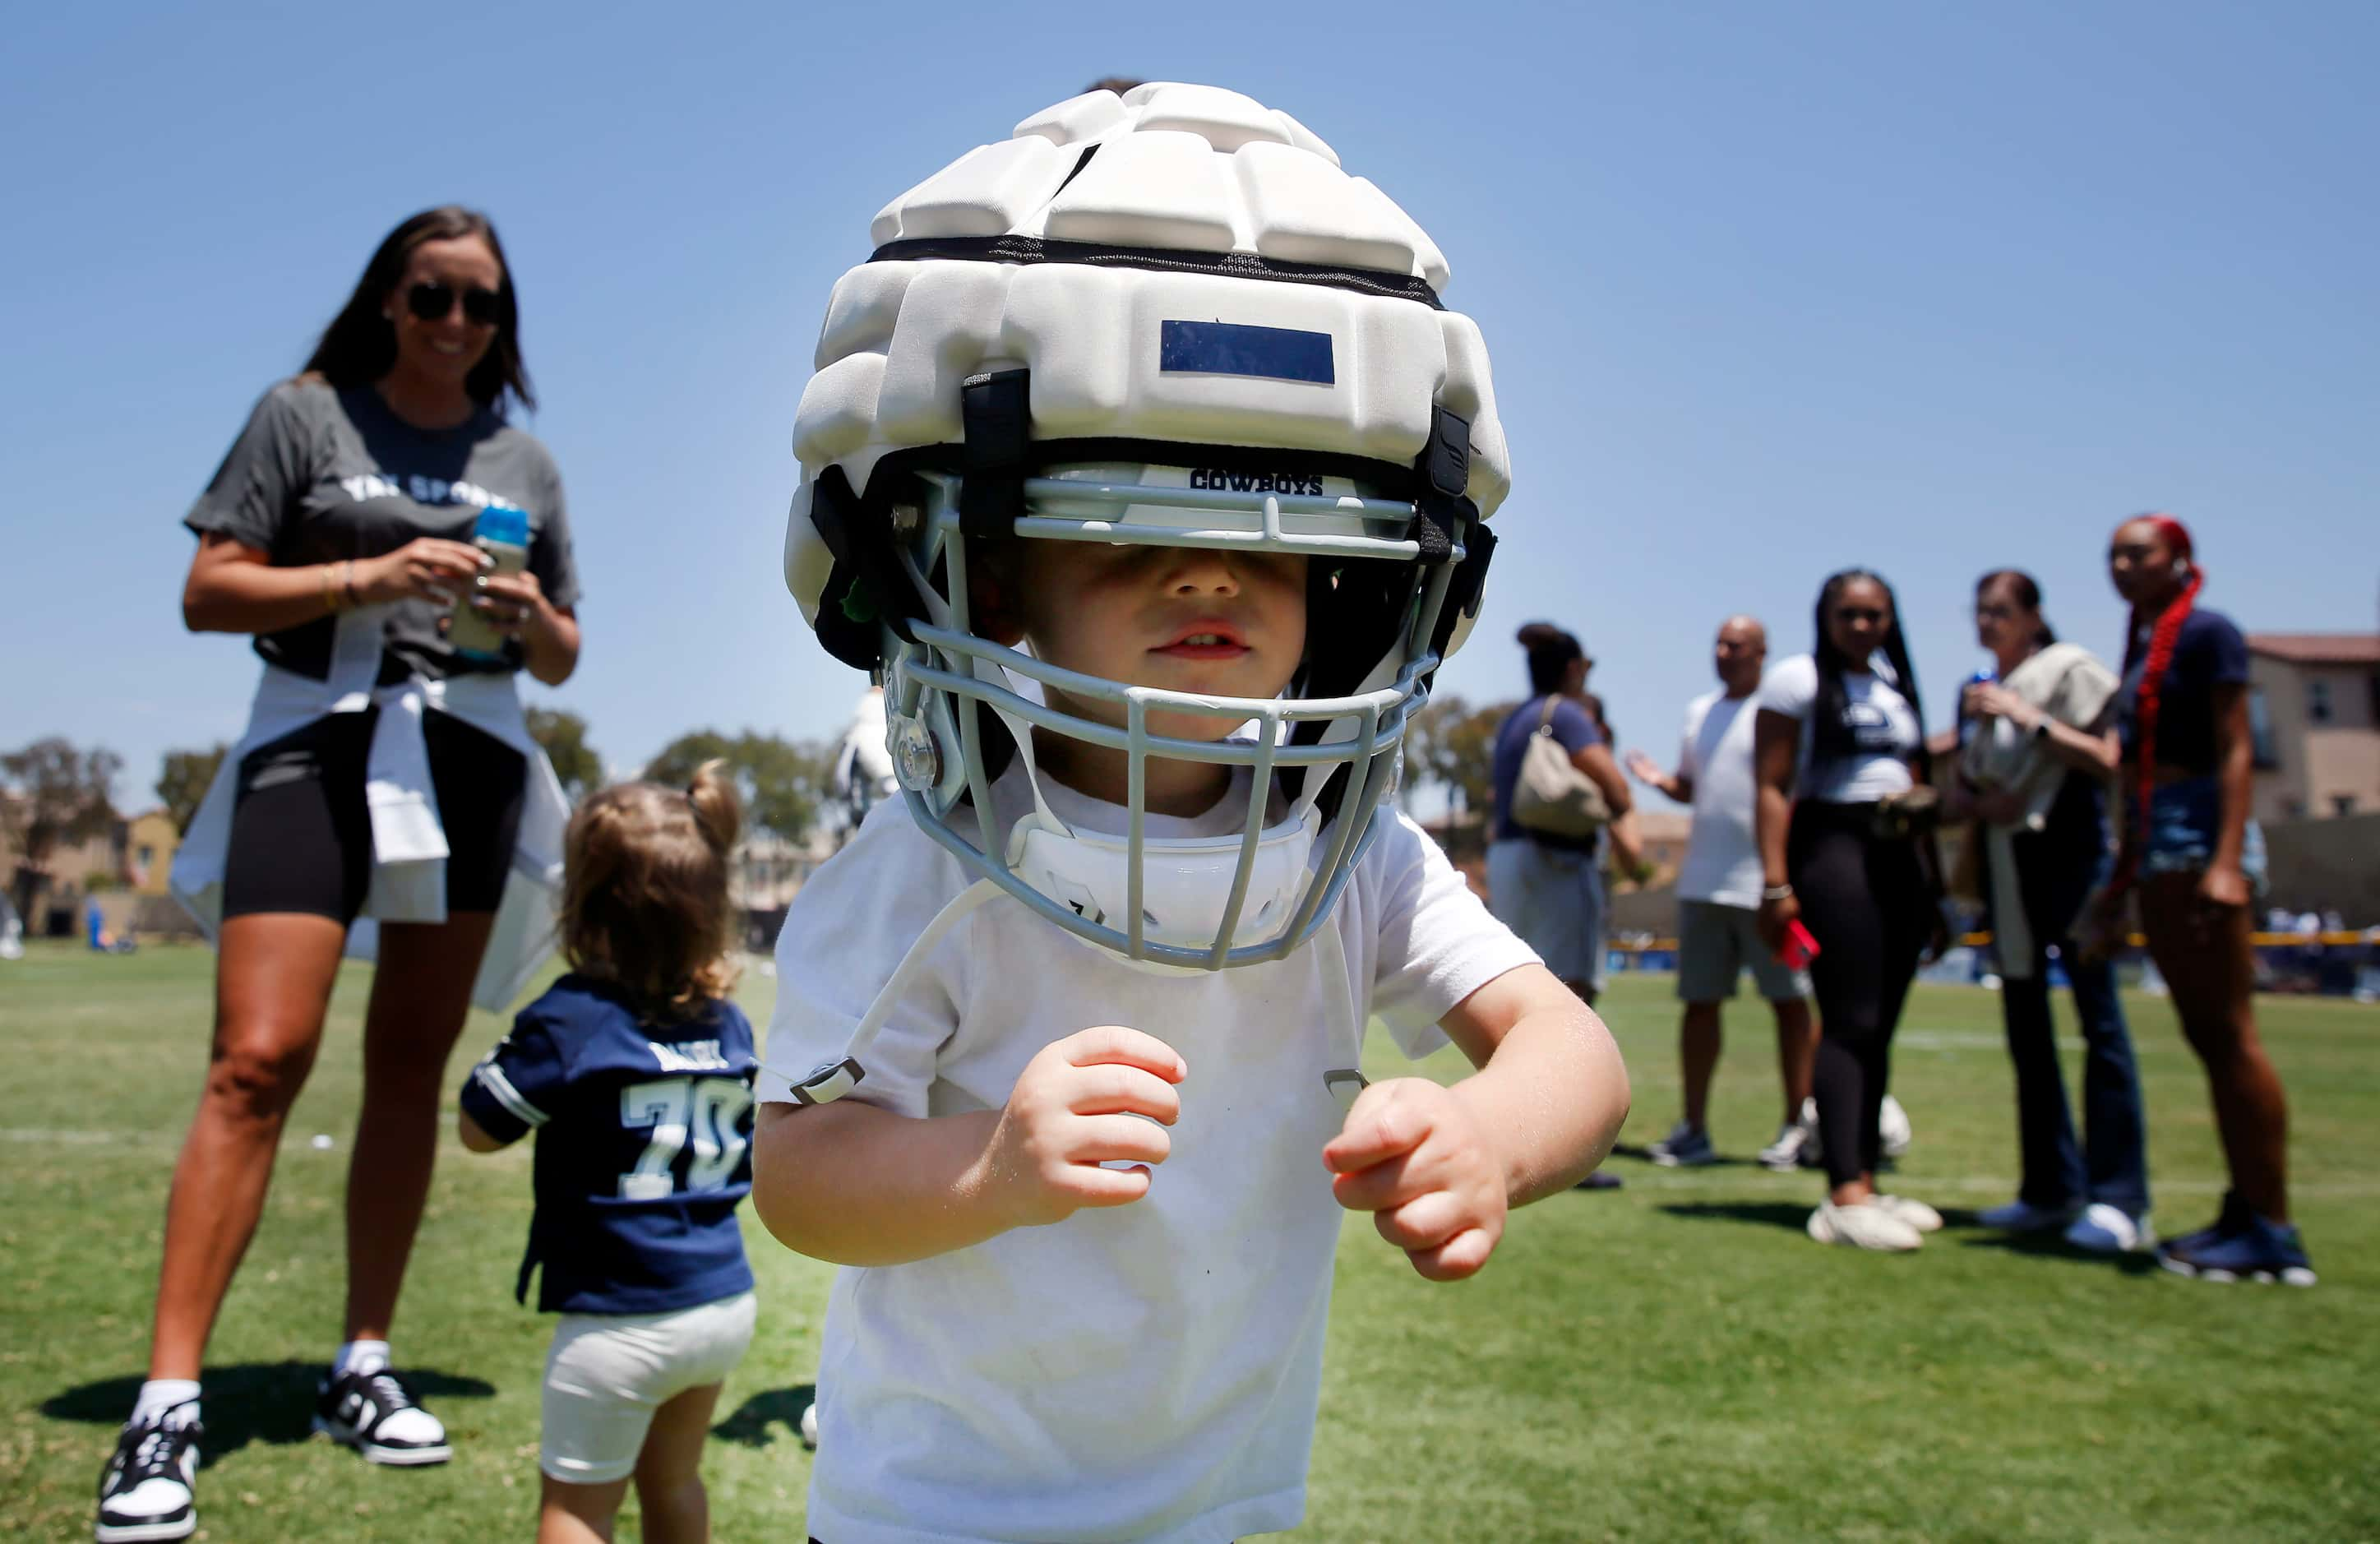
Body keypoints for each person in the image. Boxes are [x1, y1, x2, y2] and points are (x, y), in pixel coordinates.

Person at [750, 84, 1630, 1541]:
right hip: (935, 1509)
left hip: (1227, 1504)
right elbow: (801, 1174)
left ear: (1350, 594)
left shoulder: (1355, 854)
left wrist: (1498, 1136)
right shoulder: (922, 867)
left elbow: (1571, 1047)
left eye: (1267, 552)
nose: (1210, 577)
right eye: (1138, 532)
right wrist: (992, 1166)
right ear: (1007, 577)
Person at [102, 206, 580, 1543]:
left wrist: (524, 612)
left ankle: (363, 1359)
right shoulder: (302, 415)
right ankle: (167, 1398)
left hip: (474, 758)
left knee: (408, 1066)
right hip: (314, 745)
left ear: (505, 322)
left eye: (482, 304)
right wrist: (372, 571)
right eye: (432, 294)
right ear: (388, 298)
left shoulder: (523, 460)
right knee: (257, 1058)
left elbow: (563, 655)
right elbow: (209, 589)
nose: (455, 323)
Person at [459, 763, 758, 1544]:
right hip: (719, 1299)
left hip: (620, 1315)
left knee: (577, 1511)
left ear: (584, 904)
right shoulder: (728, 1024)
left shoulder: (574, 1018)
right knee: (675, 1484)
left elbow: (479, 1127)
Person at [2087, 515, 2313, 1284]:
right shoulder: (2144, 644)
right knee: (2207, 1036)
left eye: (2138, 553)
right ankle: (2245, 1208)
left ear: (2180, 561)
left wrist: (2225, 860)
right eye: (2114, 554)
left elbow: (2235, 747)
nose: (2122, 565)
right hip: (2156, 832)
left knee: (2228, 1033)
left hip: (2197, 829)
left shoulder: (2210, 633)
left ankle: (2273, 1231)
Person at [1951, 571, 2151, 1252]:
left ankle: (2119, 1198)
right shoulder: (1976, 692)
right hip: (2011, 873)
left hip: (2072, 857)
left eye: (2000, 611)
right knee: (2025, 1028)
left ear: (2034, 617)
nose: (1987, 622)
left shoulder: (2067, 671)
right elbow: (1975, 790)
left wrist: (2025, 717)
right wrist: (1977, 802)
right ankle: (2048, 1187)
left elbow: (2107, 759)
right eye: (1979, 611)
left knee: (2099, 1022)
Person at [1754, 570, 1945, 1251]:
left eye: (1874, 615)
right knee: (1849, 1021)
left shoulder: (1895, 689)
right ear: (1825, 617)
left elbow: (1918, 781)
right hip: (1832, 851)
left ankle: (1864, 1174)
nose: (1862, 627)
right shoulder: (1796, 680)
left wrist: (1935, 883)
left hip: (1897, 855)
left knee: (1880, 1026)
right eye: (1849, 614)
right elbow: (1771, 786)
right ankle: (1842, 1194)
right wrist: (1776, 885)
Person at [1626, 616, 1819, 1171]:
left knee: (1789, 1004)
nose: (1723, 651)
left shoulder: (1781, 712)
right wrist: (1660, 781)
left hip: (1767, 886)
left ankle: (1795, 1127)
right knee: (1700, 1004)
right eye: (1718, 642)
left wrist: (1783, 878)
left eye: (1736, 645)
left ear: (1761, 654)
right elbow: (1694, 786)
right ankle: (1694, 1130)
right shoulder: (1698, 712)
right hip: (1703, 883)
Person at [1487, 624, 1646, 1005]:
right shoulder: (1567, 714)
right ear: (1574, 669)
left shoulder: (1515, 718)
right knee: (1568, 992)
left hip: (1508, 859)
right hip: (1555, 864)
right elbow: (1618, 791)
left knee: (1518, 986)